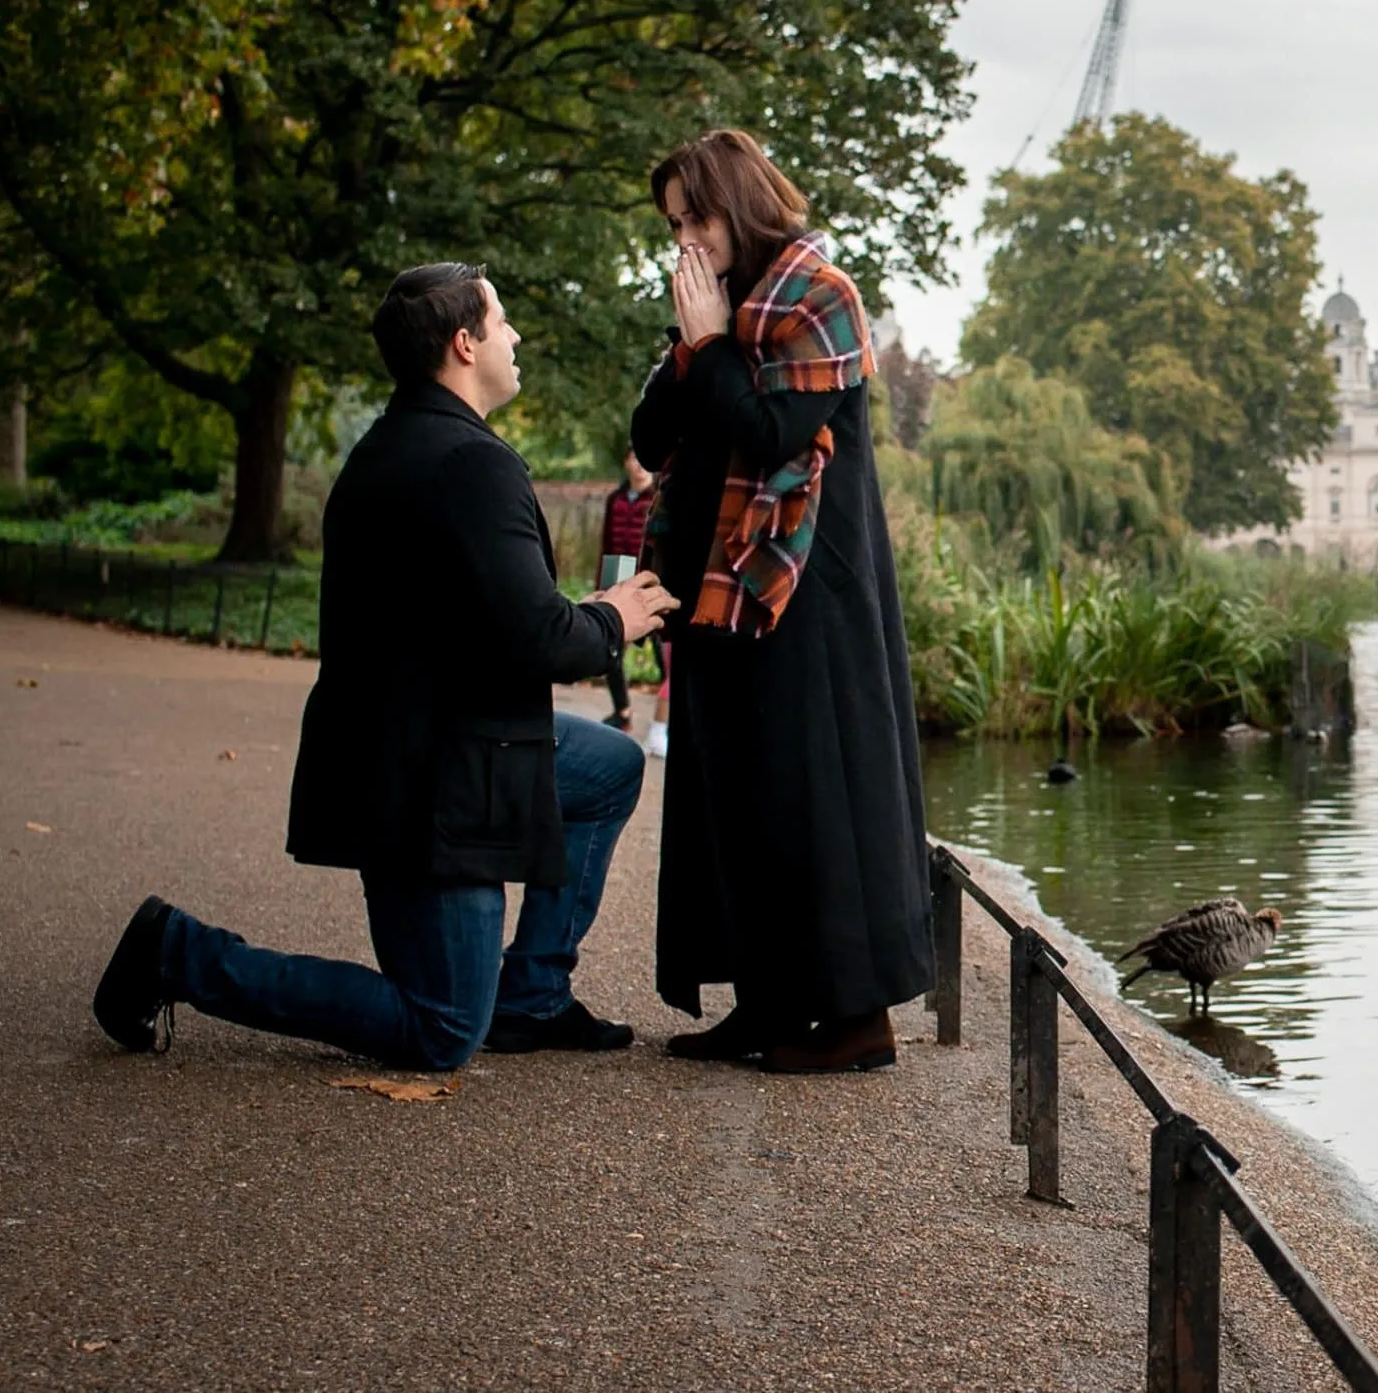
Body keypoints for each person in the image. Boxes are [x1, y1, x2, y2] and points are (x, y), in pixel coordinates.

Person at [91, 264, 679, 1069]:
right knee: (438, 1030)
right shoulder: (474, 463)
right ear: (464, 342)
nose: (516, 337)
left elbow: (468, 617)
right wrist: (617, 617)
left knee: (610, 764)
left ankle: (534, 993)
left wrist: (572, 612)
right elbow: (541, 644)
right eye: (502, 322)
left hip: (412, 744)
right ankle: (179, 953)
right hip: (434, 784)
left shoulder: (393, 445)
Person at [631, 128, 932, 1073]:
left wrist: (713, 346)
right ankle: (764, 1005)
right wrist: (695, 349)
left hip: (808, 597)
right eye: (674, 224)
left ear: (740, 206)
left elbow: (765, 434)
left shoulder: (817, 297)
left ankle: (854, 1020)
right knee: (737, 799)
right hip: (721, 591)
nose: (685, 241)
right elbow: (652, 434)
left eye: (697, 219)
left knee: (816, 799)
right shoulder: (717, 306)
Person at [597, 448, 663, 732]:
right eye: (632, 459)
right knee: (612, 649)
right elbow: (605, 541)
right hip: (618, 579)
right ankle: (622, 710)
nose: (637, 466)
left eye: (641, 459)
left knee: (663, 652)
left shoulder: (658, 496)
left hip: (648, 580)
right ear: (625, 463)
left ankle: (667, 717)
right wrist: (602, 583)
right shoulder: (616, 498)